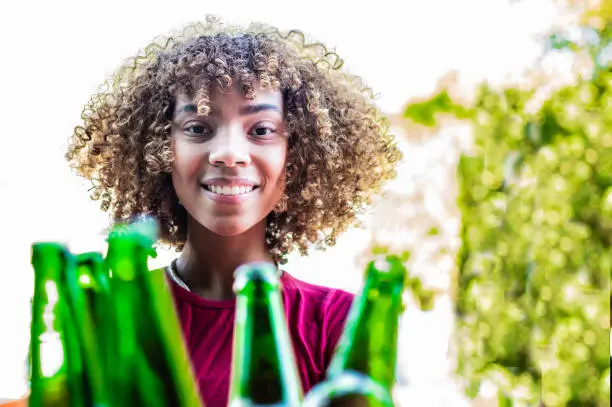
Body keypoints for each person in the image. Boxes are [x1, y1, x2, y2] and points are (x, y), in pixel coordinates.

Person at [65, 15, 402, 407]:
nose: (228, 153)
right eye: (197, 127)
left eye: (261, 130)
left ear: (297, 155)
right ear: (157, 150)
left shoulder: (336, 323)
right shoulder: (113, 315)